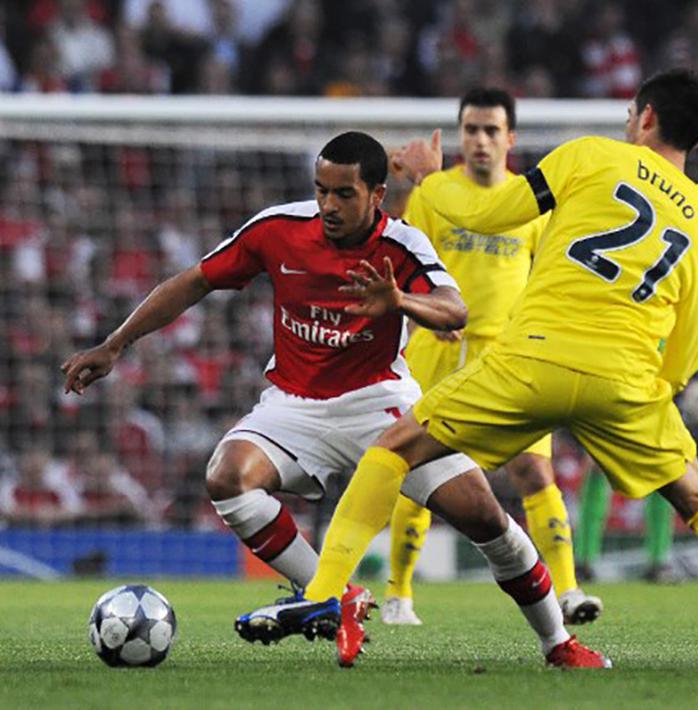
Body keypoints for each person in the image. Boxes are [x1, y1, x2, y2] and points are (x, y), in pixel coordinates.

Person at [242, 69, 698, 671]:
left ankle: (325, 593)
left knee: (393, 449)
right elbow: (688, 343)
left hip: (531, 358)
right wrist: (658, 391)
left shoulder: (590, 155)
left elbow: (490, 212)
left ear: (647, 117)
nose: (628, 122)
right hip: (625, 379)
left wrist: (428, 178)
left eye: (631, 114)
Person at [62, 131, 605, 669]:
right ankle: (333, 596)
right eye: (322, 190)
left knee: (485, 517)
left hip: (380, 404)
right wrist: (115, 344)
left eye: (344, 193)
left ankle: (558, 643)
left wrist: (400, 300)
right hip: (293, 405)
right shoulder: (279, 229)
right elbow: (194, 281)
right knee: (226, 477)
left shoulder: (402, 244)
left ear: (377, 194)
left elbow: (454, 309)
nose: (328, 205)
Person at [380, 87, 602, 627]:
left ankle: (569, 590)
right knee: (419, 467)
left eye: (491, 130)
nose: (480, 140)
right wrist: (431, 311)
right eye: (471, 130)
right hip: (438, 348)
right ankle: (398, 595)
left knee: (534, 469)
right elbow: (409, 260)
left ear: (510, 138)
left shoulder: (529, 204)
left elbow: (547, 275)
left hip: (508, 353)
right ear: (460, 136)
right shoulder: (435, 193)